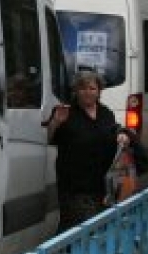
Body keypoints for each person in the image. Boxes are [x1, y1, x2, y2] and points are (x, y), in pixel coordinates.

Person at [47, 70, 134, 232]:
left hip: (103, 185)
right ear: (76, 91)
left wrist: (121, 135)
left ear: (99, 91)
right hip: (75, 186)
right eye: (83, 88)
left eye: (92, 88)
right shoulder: (66, 112)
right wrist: (56, 123)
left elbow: (114, 130)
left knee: (92, 229)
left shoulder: (105, 113)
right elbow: (50, 138)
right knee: (83, 227)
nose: (87, 92)